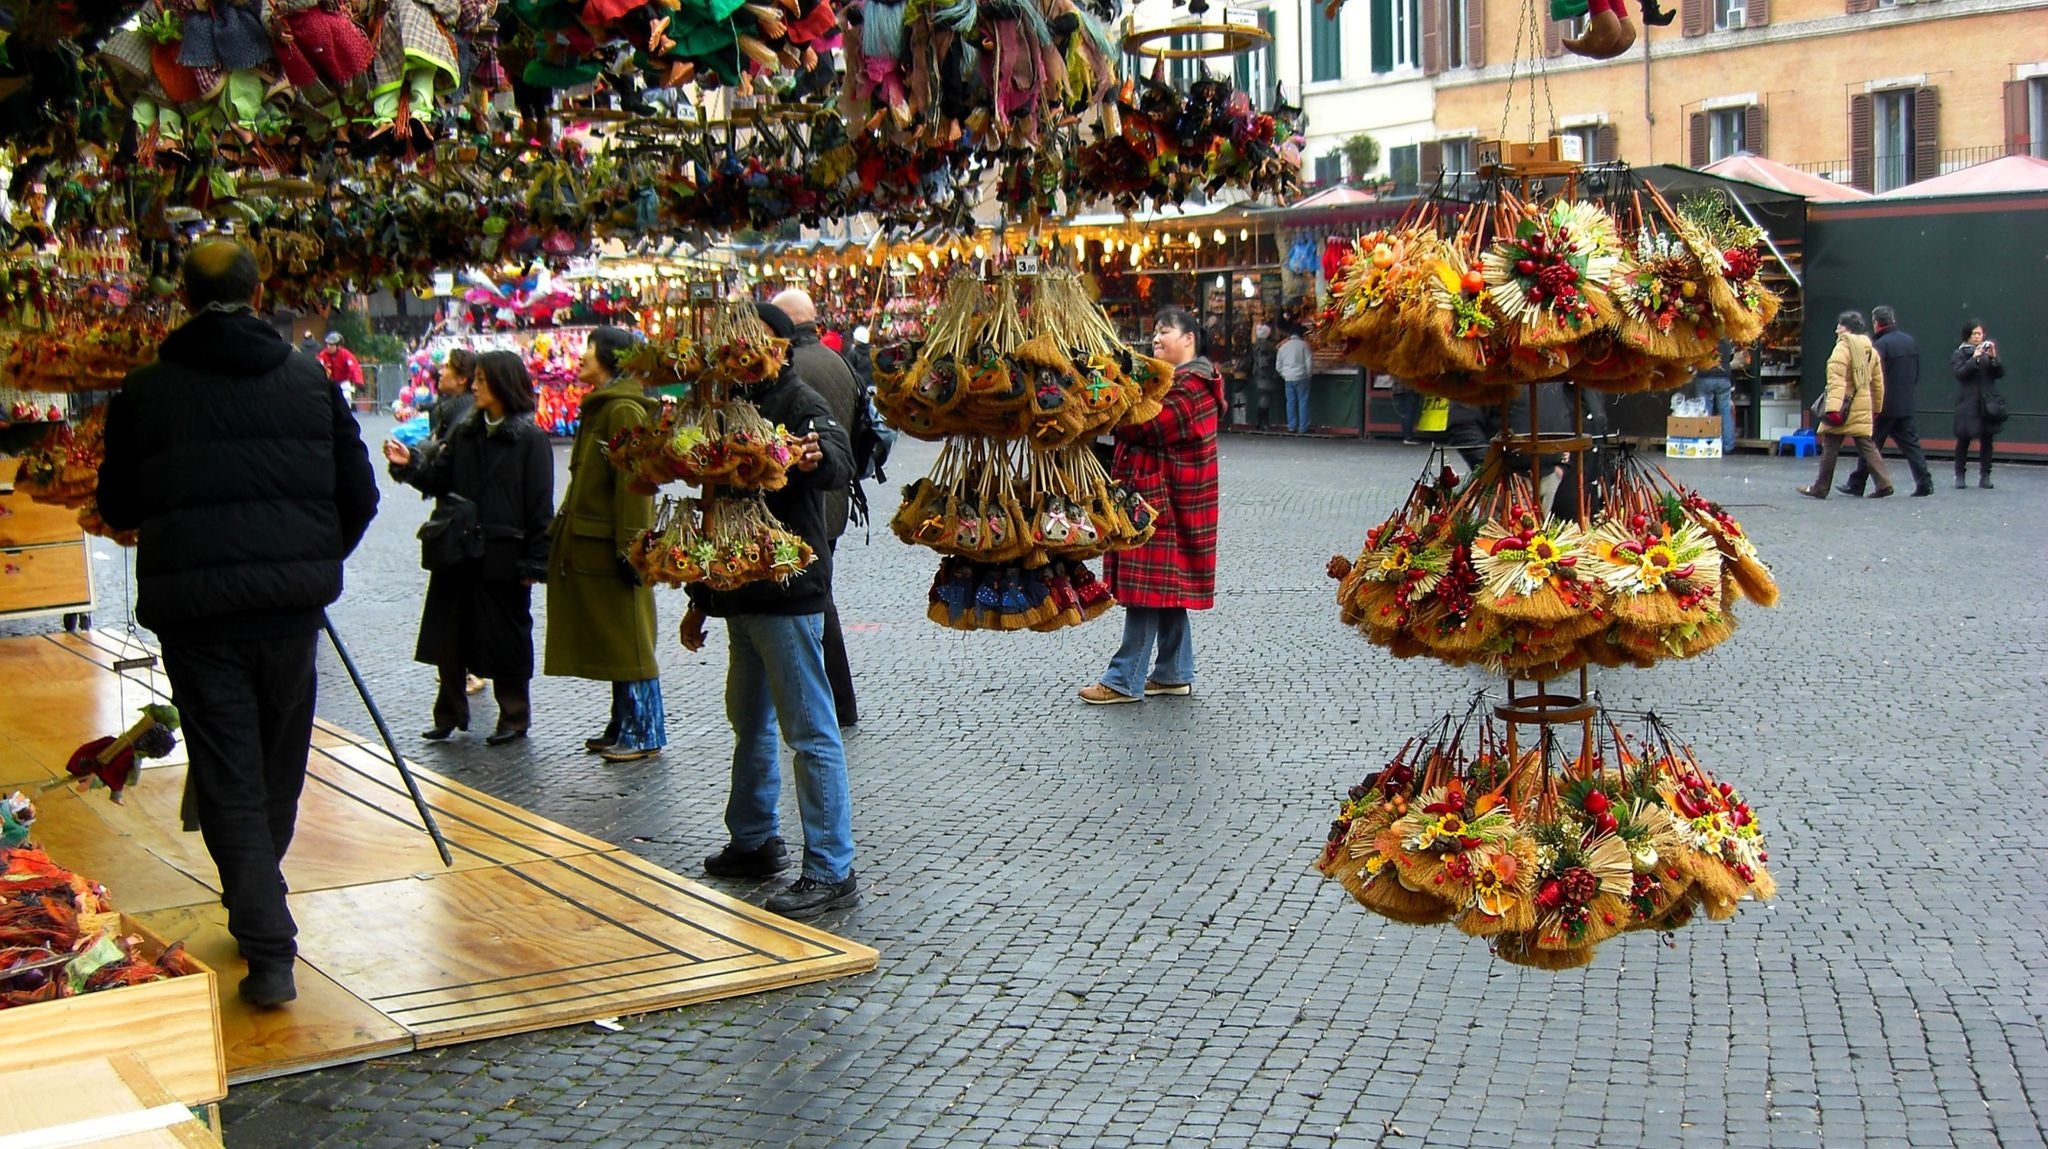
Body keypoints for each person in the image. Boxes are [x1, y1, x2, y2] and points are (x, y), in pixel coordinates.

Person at [97, 239, 380, 1008]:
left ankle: (265, 930)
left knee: (230, 769)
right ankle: (262, 916)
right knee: (276, 766)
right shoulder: (308, 381)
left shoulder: (146, 389)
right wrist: (310, 561)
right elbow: (359, 494)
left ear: (184, 299)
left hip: (198, 617)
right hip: (290, 611)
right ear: (260, 296)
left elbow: (118, 505)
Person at [679, 303, 859, 920]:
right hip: (739, 595)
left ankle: (832, 867)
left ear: (775, 347)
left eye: (746, 345)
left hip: (788, 594)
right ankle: (754, 839)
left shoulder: (799, 400)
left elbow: (838, 459)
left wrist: (816, 459)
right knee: (748, 723)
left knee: (809, 731)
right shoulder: (726, 407)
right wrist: (701, 598)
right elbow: (713, 506)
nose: (734, 356)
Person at [383, 351, 555, 743]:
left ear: (503, 385)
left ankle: (514, 717)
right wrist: (409, 463)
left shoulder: (530, 439)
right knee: (450, 632)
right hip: (458, 551)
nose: (474, 386)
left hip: (503, 553)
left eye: (482, 380)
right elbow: (439, 480)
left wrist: (535, 562)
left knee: (508, 636)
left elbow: (540, 505)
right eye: (474, 379)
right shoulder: (466, 431)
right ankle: (448, 713)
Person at [1079, 307, 1225, 705]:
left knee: (1146, 593)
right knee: (1166, 589)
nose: (1157, 339)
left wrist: (1103, 405)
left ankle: (1124, 678)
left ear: (1189, 339)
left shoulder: (1193, 386)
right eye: (1156, 333)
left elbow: (1149, 426)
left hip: (1166, 505)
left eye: (1165, 332)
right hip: (1163, 499)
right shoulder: (1177, 382)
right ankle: (1174, 673)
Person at [544, 328, 667, 763]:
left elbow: (633, 487)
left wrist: (633, 550)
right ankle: (624, 724)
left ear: (609, 357)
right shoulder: (605, 407)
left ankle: (643, 731)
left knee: (630, 643)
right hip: (592, 546)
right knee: (620, 643)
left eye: (589, 349)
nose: (580, 357)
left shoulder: (621, 410)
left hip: (612, 549)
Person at [774, 288, 862, 727]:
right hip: (835, 499)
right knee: (818, 593)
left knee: (814, 598)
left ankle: (833, 701)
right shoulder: (837, 361)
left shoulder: (792, 372)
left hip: (806, 499)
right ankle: (832, 700)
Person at [1798, 311, 1893, 499]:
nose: (1836, 329)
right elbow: (1877, 382)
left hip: (1843, 406)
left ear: (1846, 329)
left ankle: (1821, 487)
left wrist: (1832, 408)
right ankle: (1884, 483)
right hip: (1863, 404)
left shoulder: (1842, 349)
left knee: (1831, 445)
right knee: (1867, 445)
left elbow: (1836, 381)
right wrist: (1877, 406)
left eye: (1839, 326)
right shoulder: (1870, 351)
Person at [1842, 306, 1932, 498]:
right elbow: (1916, 373)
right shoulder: (1909, 341)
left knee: (1869, 445)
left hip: (1883, 404)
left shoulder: (1879, 346)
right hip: (1905, 402)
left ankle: (1858, 483)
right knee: (1911, 445)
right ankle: (1925, 482)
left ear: (1876, 323)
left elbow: (1874, 376)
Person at [1949, 320, 2005, 490]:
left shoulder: (1987, 354)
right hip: (1968, 403)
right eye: (1974, 334)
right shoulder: (1959, 354)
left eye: (1980, 334)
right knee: (1964, 439)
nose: (1977, 337)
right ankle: (1960, 475)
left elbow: (1998, 374)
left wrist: (1994, 359)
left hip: (1986, 402)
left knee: (1987, 439)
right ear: (1967, 335)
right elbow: (1960, 373)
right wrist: (1974, 359)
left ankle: (1985, 475)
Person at [1692, 339, 1739, 454]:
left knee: (1705, 411)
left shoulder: (1702, 340)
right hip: (1724, 378)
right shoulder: (1727, 341)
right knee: (1725, 412)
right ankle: (1728, 446)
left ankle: (1706, 444)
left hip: (1704, 377)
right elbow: (1731, 358)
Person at [1275, 321, 1312, 434]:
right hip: (1301, 376)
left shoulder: (1283, 347)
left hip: (1288, 378)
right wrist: (1308, 375)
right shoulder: (1304, 346)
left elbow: (1278, 366)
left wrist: (1284, 374)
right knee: (1303, 401)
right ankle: (1303, 427)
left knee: (1290, 402)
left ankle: (1292, 426)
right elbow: (1309, 363)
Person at [1247, 322, 1280, 431]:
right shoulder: (1267, 347)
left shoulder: (1256, 345)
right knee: (1264, 398)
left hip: (1258, 374)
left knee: (1263, 397)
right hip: (1265, 375)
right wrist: (1272, 373)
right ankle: (1263, 422)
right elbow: (1264, 362)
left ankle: (1260, 421)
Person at [318, 332, 363, 405]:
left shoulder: (346, 354)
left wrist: (358, 381)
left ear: (338, 346)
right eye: (328, 344)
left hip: (343, 382)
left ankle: (345, 414)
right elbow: (317, 365)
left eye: (331, 345)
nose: (328, 346)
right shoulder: (323, 355)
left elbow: (354, 368)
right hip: (329, 383)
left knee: (346, 397)